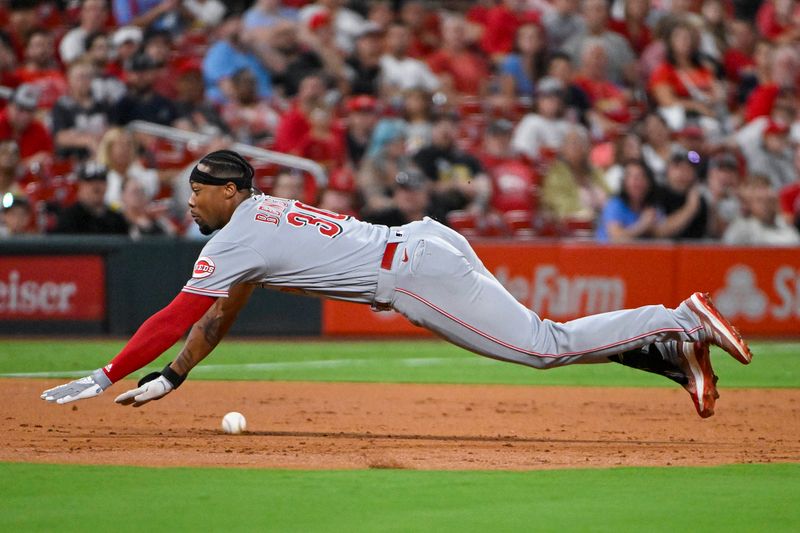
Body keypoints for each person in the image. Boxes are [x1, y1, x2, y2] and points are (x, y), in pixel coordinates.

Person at [41, 150, 753, 421]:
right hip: (422, 239)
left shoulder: (237, 235)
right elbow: (218, 314)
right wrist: (174, 376)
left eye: (199, 193)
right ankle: (673, 356)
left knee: (543, 345)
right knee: (542, 336)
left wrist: (108, 372)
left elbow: (175, 313)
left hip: (412, 273)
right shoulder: (251, 227)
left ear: (231, 192)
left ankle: (679, 317)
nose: (189, 203)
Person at [51, 161, 129, 235]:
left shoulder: (117, 219)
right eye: (90, 181)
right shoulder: (67, 218)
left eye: (101, 180)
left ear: (107, 185)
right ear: (80, 185)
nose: (96, 186)